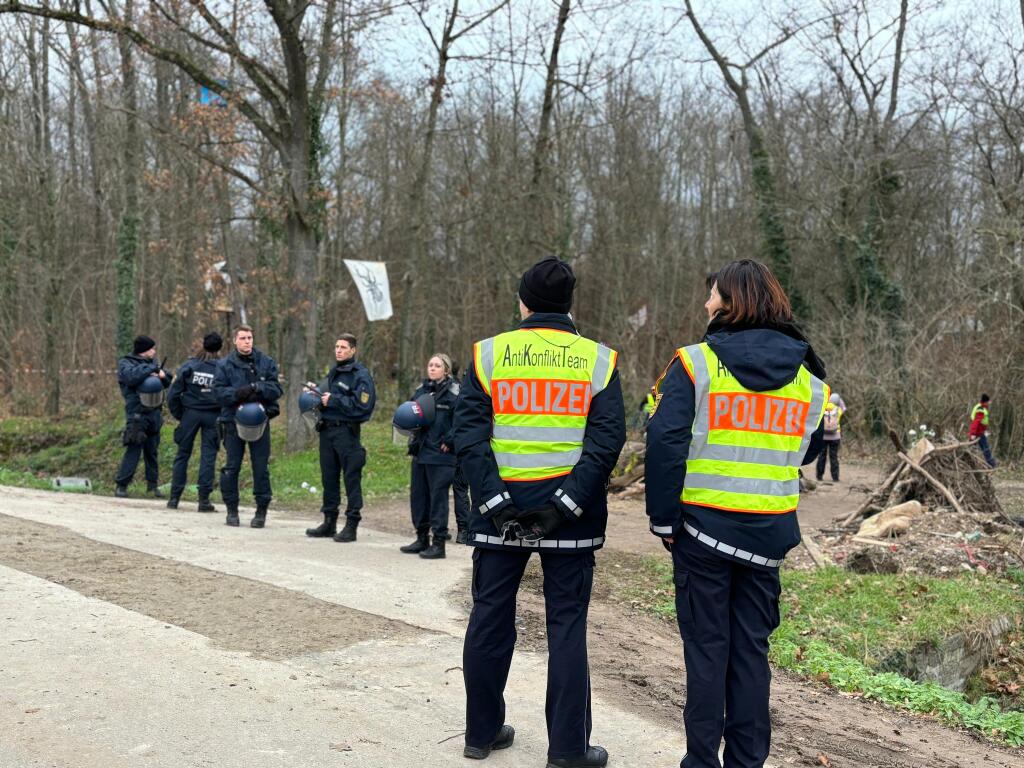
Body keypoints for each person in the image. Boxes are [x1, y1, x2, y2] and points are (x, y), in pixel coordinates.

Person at [646, 259, 828, 768]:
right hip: (768, 536)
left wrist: (663, 519)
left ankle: (700, 762)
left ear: (730, 301)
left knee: (707, 652)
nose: (706, 303)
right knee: (750, 654)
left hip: (703, 531)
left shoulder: (695, 362)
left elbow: (664, 439)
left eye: (712, 295)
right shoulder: (809, 375)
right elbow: (809, 448)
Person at [454, 255, 625, 768]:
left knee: (489, 618)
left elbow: (468, 435)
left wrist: (497, 504)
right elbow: (606, 440)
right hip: (569, 519)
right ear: (570, 304)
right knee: (566, 626)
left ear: (523, 302)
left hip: (497, 516)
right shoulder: (598, 360)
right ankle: (569, 750)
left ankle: (480, 734)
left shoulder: (488, 355)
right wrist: (564, 506)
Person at [304, 334, 377, 542]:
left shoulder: (360, 375)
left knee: (351, 480)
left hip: (347, 433)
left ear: (353, 350)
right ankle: (329, 522)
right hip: (327, 431)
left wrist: (334, 401)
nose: (338, 350)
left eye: (343, 347)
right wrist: (314, 395)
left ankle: (351, 525)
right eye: (336, 346)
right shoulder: (334, 372)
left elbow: (363, 407)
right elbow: (325, 397)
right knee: (329, 478)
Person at [214, 325, 282, 528]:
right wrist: (238, 394)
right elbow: (218, 393)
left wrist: (256, 388)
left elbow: (276, 388)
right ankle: (231, 510)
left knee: (261, 468)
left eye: (250, 338)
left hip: (260, 422)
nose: (247, 341)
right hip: (233, 422)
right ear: (234, 340)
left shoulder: (265, 362)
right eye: (242, 338)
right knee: (231, 467)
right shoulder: (224, 365)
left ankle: (261, 510)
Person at [399, 353, 459, 559]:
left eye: (437, 365)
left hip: (442, 457)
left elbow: (461, 420)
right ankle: (421, 537)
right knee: (419, 498)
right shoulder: (420, 391)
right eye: (430, 364)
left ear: (446, 370)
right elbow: (410, 416)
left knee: (438, 500)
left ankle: (439, 543)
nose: (432, 368)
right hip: (421, 452)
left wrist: (449, 441)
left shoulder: (455, 392)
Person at [167, 333, 224, 511]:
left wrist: (180, 415)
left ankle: (174, 498)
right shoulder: (223, 368)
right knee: (208, 457)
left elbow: (173, 393)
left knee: (182, 454)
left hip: (190, 414)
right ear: (220, 347)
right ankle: (204, 500)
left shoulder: (190, 365)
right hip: (213, 415)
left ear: (203, 345)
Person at [114, 335, 172, 498]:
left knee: (152, 451)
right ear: (144, 350)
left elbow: (168, 379)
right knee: (133, 448)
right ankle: (122, 485)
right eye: (152, 348)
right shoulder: (126, 363)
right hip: (137, 413)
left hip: (154, 413)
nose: (154, 351)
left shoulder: (153, 364)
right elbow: (131, 378)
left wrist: (162, 375)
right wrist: (151, 370)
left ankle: (152, 485)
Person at [816, 392, 846, 483]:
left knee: (822, 456)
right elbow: (844, 408)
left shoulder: (822, 408)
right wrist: (839, 400)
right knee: (834, 457)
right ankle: (835, 477)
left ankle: (819, 476)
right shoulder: (838, 410)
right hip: (835, 436)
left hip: (823, 436)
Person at [969, 394, 996, 468]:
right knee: (986, 449)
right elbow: (976, 422)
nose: (989, 404)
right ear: (985, 402)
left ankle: (971, 464)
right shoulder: (980, 409)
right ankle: (991, 465)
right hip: (978, 433)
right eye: (988, 402)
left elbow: (982, 422)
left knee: (972, 449)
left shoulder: (980, 407)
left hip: (979, 432)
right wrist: (973, 434)